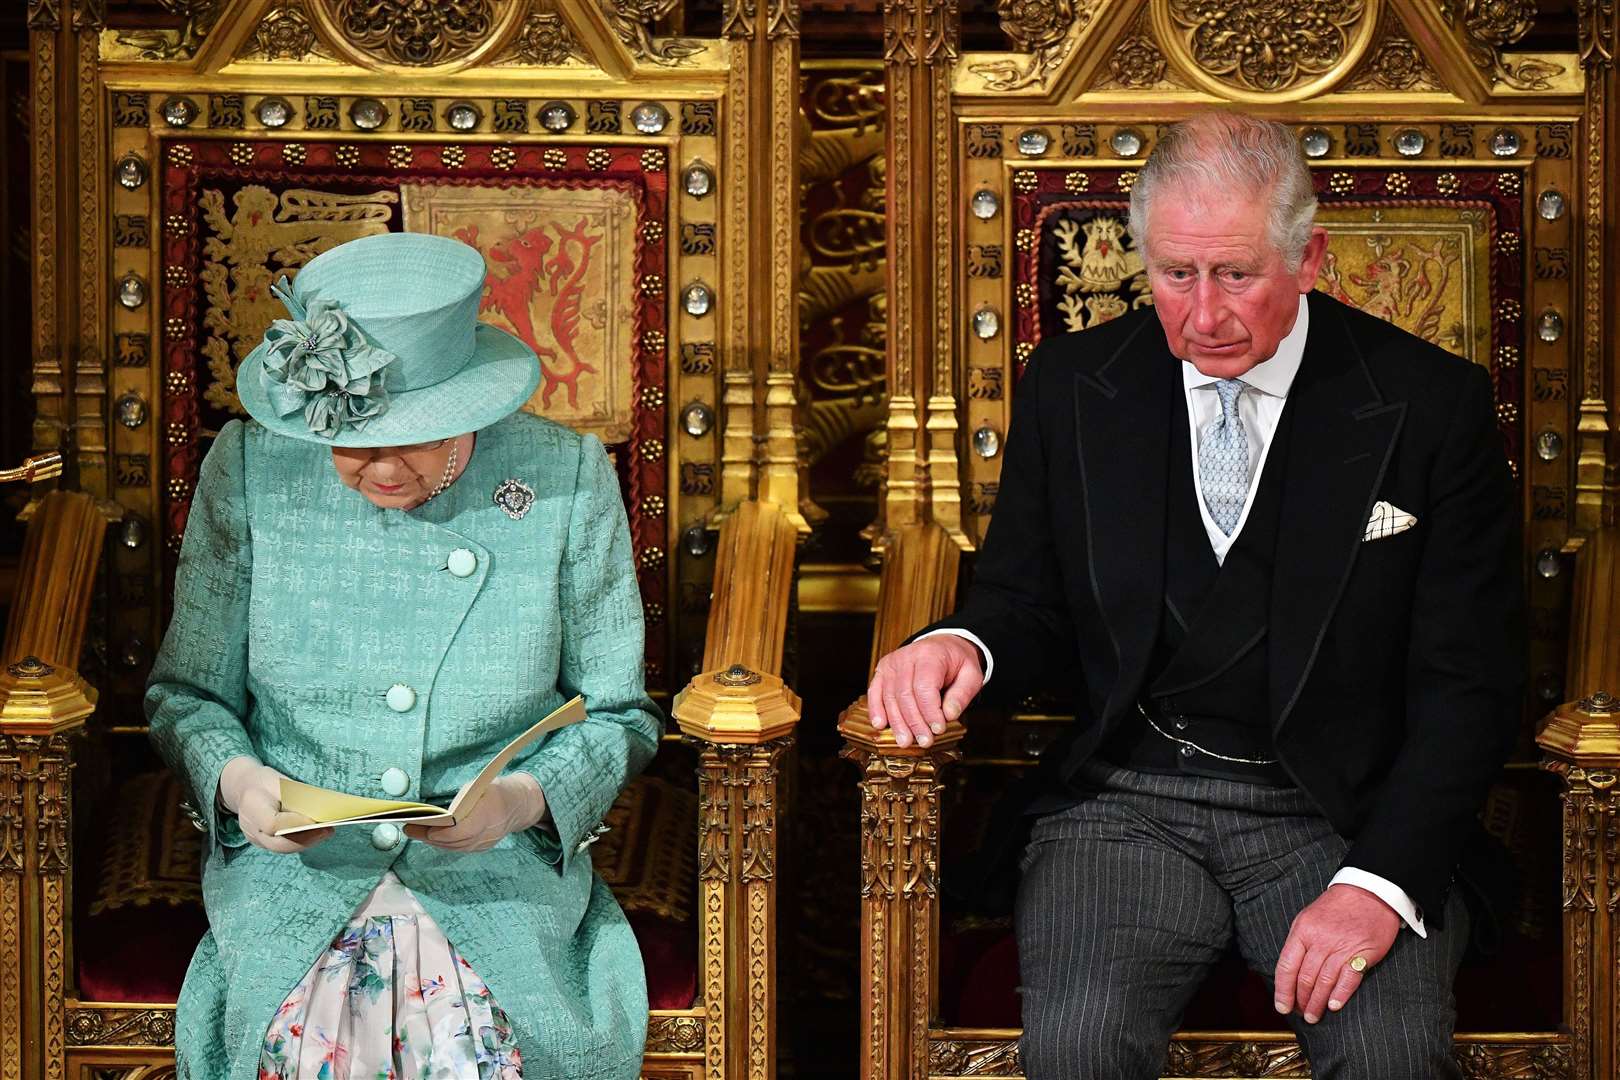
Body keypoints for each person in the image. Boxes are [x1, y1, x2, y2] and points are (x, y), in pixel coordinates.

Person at [866, 111, 1522, 1079]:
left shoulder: (1434, 410)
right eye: (1176, 275)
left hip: (1340, 815)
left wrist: (1379, 883)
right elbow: (1027, 603)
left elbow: (1472, 688)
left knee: (1390, 1057)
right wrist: (964, 644)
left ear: (1310, 258)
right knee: (1080, 1046)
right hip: (1126, 806)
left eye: (1236, 275)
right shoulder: (1074, 384)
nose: (1203, 315)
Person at [147, 231, 660, 1080]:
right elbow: (186, 695)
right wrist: (242, 786)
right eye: (355, 445)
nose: (381, 467)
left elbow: (618, 714)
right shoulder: (250, 468)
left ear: (466, 405)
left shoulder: (564, 477)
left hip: (489, 871)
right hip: (303, 870)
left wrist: (521, 802)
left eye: (413, 440)